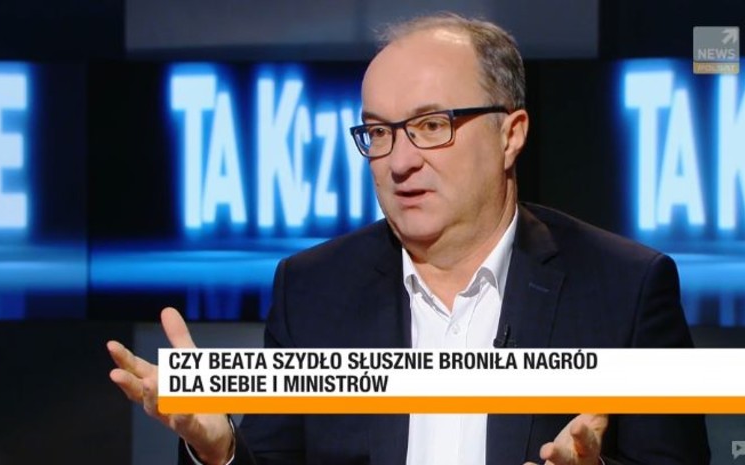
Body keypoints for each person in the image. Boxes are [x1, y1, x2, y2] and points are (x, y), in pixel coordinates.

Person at [107, 13, 710, 465]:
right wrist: (221, 452)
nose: (399, 161)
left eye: (430, 125)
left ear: (511, 135)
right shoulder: (314, 290)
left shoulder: (625, 289)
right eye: (378, 133)